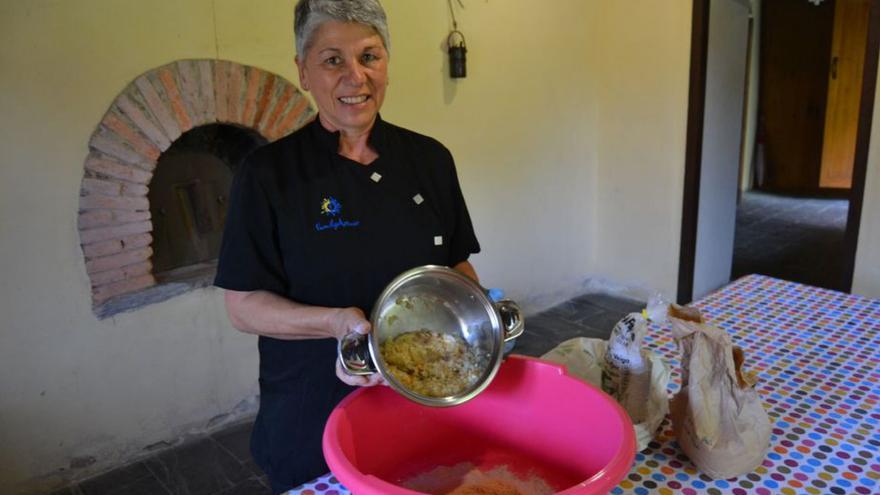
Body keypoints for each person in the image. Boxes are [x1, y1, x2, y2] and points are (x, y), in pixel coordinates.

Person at [214, 0, 481, 492]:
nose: (355, 77)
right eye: (332, 59)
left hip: (422, 396)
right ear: (303, 71)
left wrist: (477, 326)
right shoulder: (268, 174)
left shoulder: (429, 159)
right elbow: (243, 307)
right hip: (313, 406)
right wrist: (337, 323)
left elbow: (456, 265)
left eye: (370, 57)